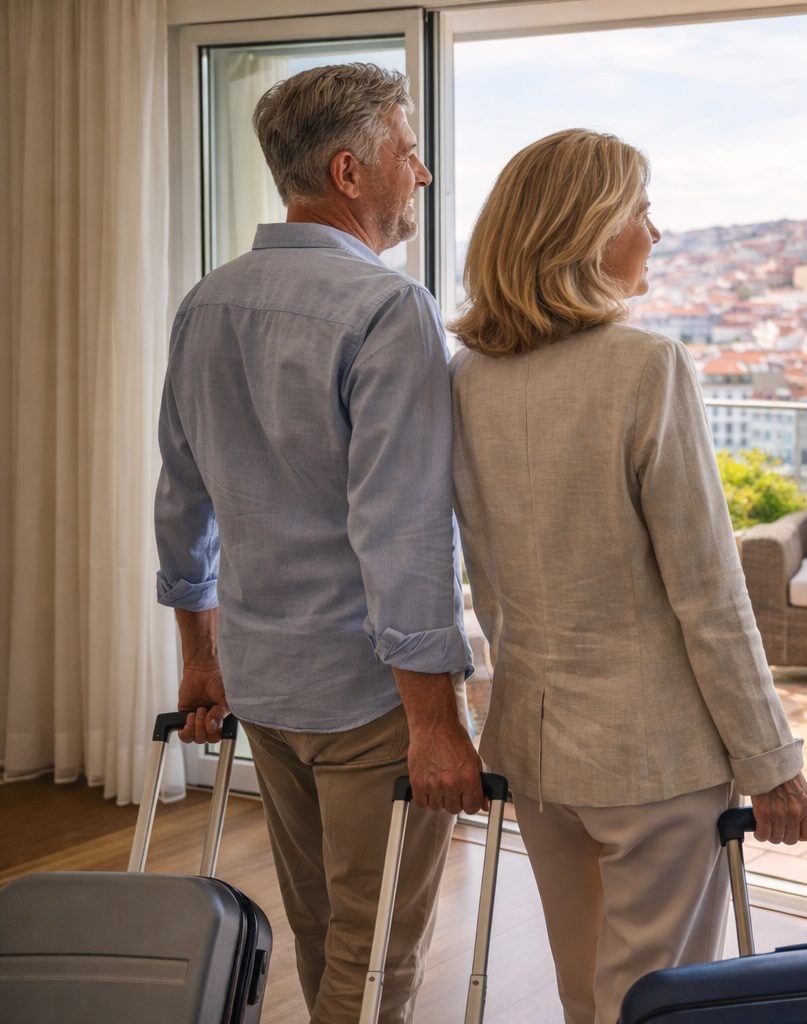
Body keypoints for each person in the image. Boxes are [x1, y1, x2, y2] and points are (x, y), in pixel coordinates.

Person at [449, 128, 807, 1024]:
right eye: (641, 210)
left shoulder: (467, 377)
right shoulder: (646, 368)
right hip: (653, 757)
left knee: (585, 995)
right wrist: (772, 763)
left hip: (534, 751)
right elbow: (710, 595)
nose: (657, 231)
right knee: (660, 1005)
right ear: (586, 229)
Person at [153, 63, 484, 1024]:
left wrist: (201, 663)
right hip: (369, 697)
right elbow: (405, 532)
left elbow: (183, 503)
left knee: (324, 932)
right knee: (376, 954)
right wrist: (435, 722)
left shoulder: (205, 303)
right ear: (351, 172)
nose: (421, 175)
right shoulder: (389, 309)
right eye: (409, 153)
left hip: (263, 677)